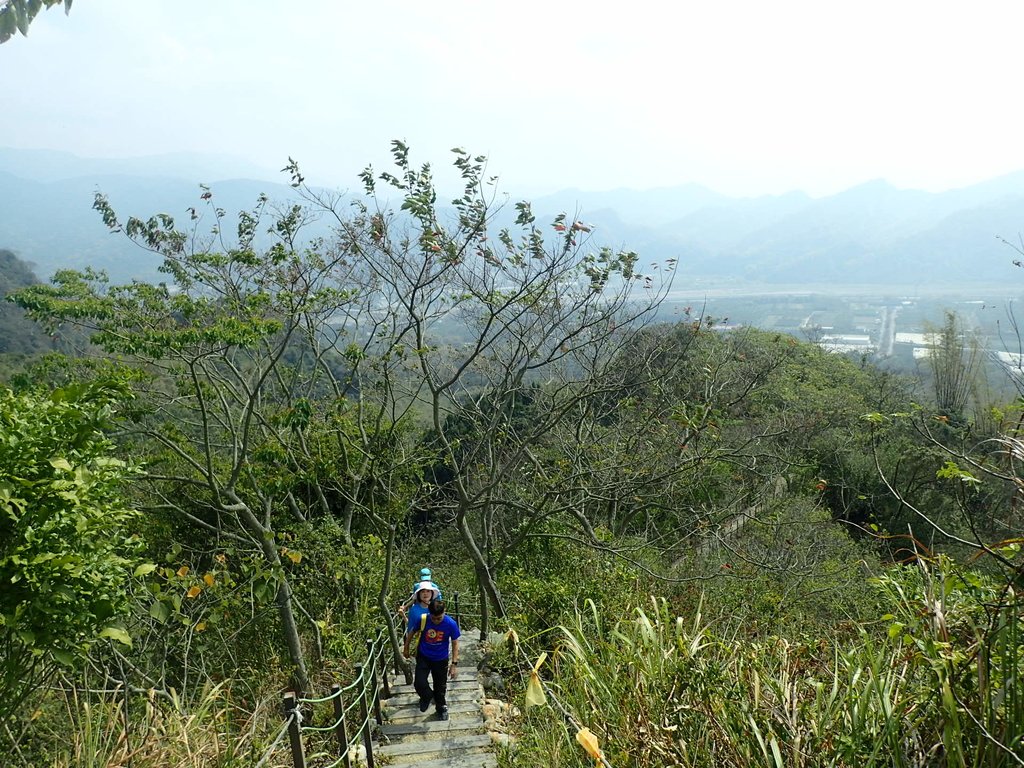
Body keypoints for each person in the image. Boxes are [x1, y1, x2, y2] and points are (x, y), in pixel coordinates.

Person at [403, 597, 460, 721]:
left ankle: (441, 708)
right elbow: (412, 632)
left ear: (444, 612)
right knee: (419, 682)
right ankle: (427, 696)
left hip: (441, 659)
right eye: (433, 618)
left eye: (439, 618)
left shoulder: (450, 623)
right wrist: (406, 647)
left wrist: (454, 664)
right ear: (429, 613)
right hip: (424, 656)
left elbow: (455, 643)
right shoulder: (424, 620)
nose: (436, 621)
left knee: (440, 686)